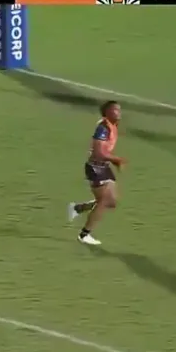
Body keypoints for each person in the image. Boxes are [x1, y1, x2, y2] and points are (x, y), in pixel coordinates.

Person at [68, 100, 124, 246]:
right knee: (104, 201)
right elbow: (99, 153)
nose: (119, 112)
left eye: (119, 109)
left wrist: (113, 161)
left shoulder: (113, 126)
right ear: (107, 112)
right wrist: (116, 159)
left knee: (112, 202)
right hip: (95, 168)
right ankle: (84, 234)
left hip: (104, 167)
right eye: (115, 110)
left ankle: (78, 208)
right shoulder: (103, 128)